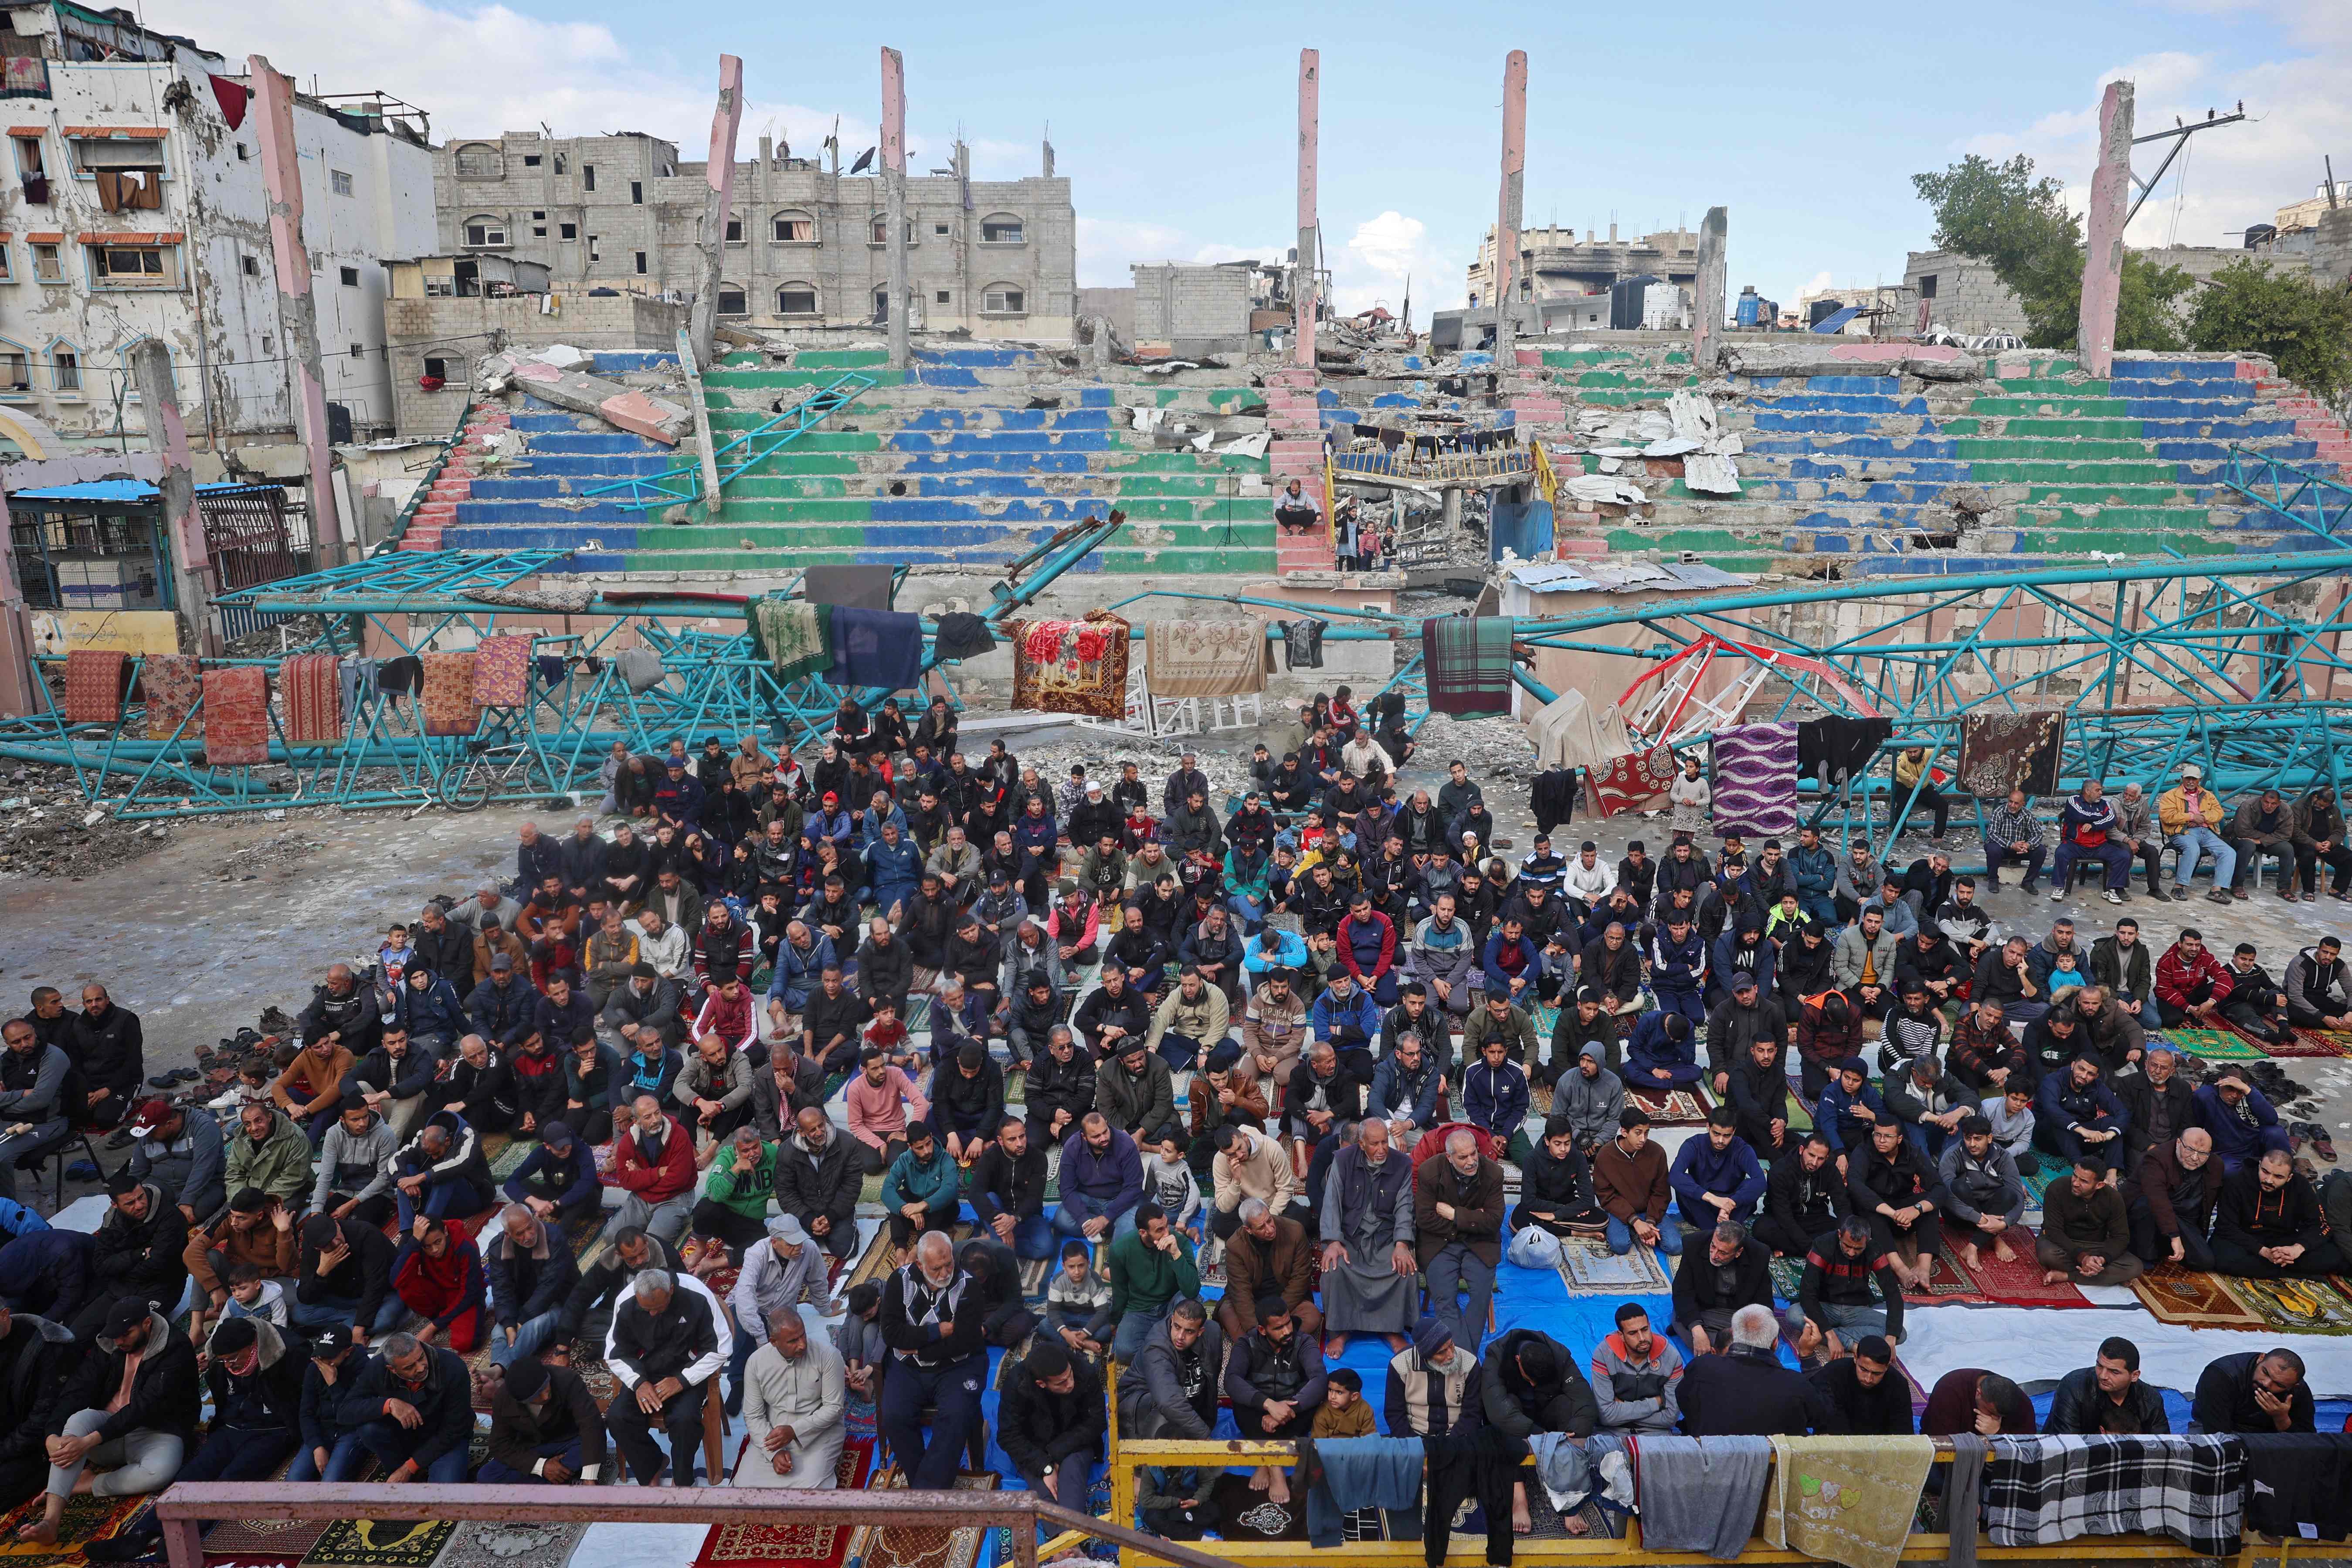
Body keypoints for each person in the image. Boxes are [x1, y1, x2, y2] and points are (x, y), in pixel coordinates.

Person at [16, 1301, 196, 1544]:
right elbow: (79, 1388)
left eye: (126, 1334)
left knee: (159, 1473)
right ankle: (50, 1521)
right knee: (77, 1420)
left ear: (147, 1324)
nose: (120, 1341)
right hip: (107, 1429)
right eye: (116, 1335)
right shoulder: (110, 1342)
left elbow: (145, 1407)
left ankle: (88, 1483)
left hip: (157, 1430)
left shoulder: (175, 1347)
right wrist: (52, 1434)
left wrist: (89, 1442)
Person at [878, 1233, 990, 1489]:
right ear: (920, 1265)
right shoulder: (899, 1281)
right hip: (908, 1369)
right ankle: (927, 1484)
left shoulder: (968, 1286)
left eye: (949, 1264)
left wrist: (919, 1350)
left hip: (958, 1366)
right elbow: (892, 1335)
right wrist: (936, 1332)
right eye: (936, 1269)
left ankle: (926, 1492)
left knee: (956, 1416)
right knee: (894, 1417)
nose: (945, 1273)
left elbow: (965, 1341)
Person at [606, 1267, 724, 1487]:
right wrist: (639, 1383)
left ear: (671, 1290)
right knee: (618, 1416)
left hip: (688, 1372)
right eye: (646, 1310)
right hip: (645, 1374)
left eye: (658, 1308)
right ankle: (652, 1465)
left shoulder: (697, 1294)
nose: (652, 1314)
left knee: (685, 1420)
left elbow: (720, 1348)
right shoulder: (626, 1301)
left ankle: (682, 1480)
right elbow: (615, 1353)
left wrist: (682, 1380)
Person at [1317, 1119, 1418, 1355]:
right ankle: (1341, 1332)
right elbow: (1331, 1202)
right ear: (1362, 1144)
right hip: (1350, 1236)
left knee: (1405, 1269)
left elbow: (1405, 1206)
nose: (1382, 1149)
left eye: (1385, 1142)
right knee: (1334, 1269)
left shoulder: (1402, 1163)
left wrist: (1402, 1243)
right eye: (1375, 1144)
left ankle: (1393, 1330)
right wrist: (1333, 1241)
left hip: (1385, 1237)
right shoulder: (1343, 1160)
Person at [322, 1329, 473, 1483]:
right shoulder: (377, 1368)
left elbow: (455, 1429)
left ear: (421, 1346)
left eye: (421, 1358)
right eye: (410, 1367)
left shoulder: (452, 1367)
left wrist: (409, 1467)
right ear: (392, 1369)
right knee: (369, 1428)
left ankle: (408, 1471)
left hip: (444, 1439)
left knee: (444, 1494)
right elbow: (345, 1411)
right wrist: (389, 1404)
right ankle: (400, 1471)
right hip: (406, 1436)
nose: (421, 1368)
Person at [1225, 1294, 1326, 1502]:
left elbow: (1319, 1379)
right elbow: (1232, 1380)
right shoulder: (1247, 1344)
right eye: (1279, 1328)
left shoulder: (1303, 1342)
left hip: (1292, 1411)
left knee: (1314, 1396)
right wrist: (1269, 1405)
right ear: (1263, 1330)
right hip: (1260, 1412)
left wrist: (1288, 1410)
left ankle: (1265, 1461)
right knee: (1242, 1401)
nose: (1287, 1331)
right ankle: (1275, 1467)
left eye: (1288, 1323)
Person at [733, 1307, 847, 1489]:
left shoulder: (828, 1355)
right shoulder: (756, 1363)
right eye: (793, 1341)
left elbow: (834, 1408)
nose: (802, 1345)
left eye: (803, 1335)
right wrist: (774, 1453)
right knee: (743, 1488)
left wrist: (794, 1431)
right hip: (773, 1434)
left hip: (819, 1433)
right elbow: (753, 1415)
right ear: (774, 1342)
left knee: (808, 1489)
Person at [1678, 1303, 1830, 1437]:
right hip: (1772, 1461)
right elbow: (1824, 1415)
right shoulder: (1796, 1384)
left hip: (1709, 1457)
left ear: (1734, 1336)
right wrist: (1808, 1357)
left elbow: (1683, 1401)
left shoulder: (1702, 1368)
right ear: (1776, 1344)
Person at [1415, 1128, 1504, 1348]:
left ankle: (1463, 1358)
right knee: (1444, 1300)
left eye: (1474, 1154)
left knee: (1481, 1296)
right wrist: (1474, 1220)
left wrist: (1454, 1215)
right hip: (1440, 1243)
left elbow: (1494, 1221)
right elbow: (1425, 1219)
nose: (1471, 1162)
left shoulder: (1493, 1172)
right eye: (1463, 1157)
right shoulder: (1429, 1171)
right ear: (1449, 1157)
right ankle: (1468, 1358)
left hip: (1480, 1244)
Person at [998, 1340, 1106, 1514]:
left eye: (1070, 1375)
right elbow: (1008, 1435)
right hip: (1033, 1448)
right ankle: (1067, 1531)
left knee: (1072, 1486)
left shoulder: (1083, 1372)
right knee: (1047, 1494)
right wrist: (1045, 1467)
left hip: (1075, 1441)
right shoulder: (1017, 1384)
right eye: (1061, 1383)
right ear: (1041, 1384)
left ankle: (1070, 1530)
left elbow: (1096, 1421)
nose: (1070, 1384)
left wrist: (1055, 1453)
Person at [2212, 1147, 2345, 1277]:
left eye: (2278, 1177)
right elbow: (2226, 1227)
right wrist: (2264, 1252)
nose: (2269, 1180)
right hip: (2245, 1238)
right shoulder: (2237, 1182)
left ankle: (2271, 1269)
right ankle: (2289, 1272)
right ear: (2260, 1165)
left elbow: (2320, 1224)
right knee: (2223, 1259)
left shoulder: (2300, 1185)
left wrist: (2298, 1249)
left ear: (2289, 1178)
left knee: (2333, 1256)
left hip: (2282, 1239)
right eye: (2265, 1171)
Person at [483, 1352, 608, 1485]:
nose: (545, 1397)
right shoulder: (504, 1399)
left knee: (592, 1445)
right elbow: (499, 1445)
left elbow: (592, 1425)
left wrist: (589, 1478)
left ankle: (555, 1478)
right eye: (537, 1395)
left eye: (545, 1387)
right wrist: (542, 1467)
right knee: (488, 1475)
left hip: (569, 1442)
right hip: (532, 1448)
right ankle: (560, 1476)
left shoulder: (567, 1380)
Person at [1792, 1215, 1906, 1361]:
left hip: (1856, 1310)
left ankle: (1829, 1334)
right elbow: (1807, 1294)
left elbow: (1893, 1293)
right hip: (1826, 1307)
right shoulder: (1823, 1246)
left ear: (1868, 1241)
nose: (1851, 1253)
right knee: (1794, 1315)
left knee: (1899, 1333)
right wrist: (1830, 1335)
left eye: (1858, 1249)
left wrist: (1890, 1338)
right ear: (1840, 1235)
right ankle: (1850, 1344)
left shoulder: (1874, 1250)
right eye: (1847, 1246)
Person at [1103, 1203, 1202, 1362]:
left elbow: (1192, 1290)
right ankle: (1171, 1350)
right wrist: (1115, 1321)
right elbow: (1120, 1291)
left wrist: (1176, 1254)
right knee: (1125, 1351)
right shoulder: (1120, 1249)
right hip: (1140, 1309)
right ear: (1143, 1233)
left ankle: (1161, 1349)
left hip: (1173, 1304)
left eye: (1167, 1226)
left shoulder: (1179, 1243)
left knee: (1191, 1303)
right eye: (1160, 1230)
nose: (1167, 1233)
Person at [1116, 1298, 1221, 1441]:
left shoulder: (1213, 1333)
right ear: (1172, 1320)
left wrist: (1208, 1416)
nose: (1180, 1336)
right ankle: (1151, 1453)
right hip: (1138, 1405)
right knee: (1167, 1407)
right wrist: (1206, 1438)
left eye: (1189, 1331)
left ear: (1200, 1332)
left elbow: (1211, 1376)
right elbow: (1168, 1402)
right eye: (1177, 1327)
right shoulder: (1156, 1347)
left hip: (1179, 1400)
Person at [2036, 1157, 2144, 1286]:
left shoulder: (2113, 1198)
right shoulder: (2057, 1188)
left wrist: (2102, 1259)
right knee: (2047, 1255)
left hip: (2096, 1246)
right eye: (2075, 1176)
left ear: (2099, 1185)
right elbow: (2053, 1231)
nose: (2076, 1183)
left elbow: (2121, 1237)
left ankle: (2067, 1276)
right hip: (2063, 1243)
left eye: (2084, 1181)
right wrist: (2082, 1257)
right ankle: (2107, 1276)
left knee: (2135, 1267)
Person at [1938, 1114, 2027, 1272]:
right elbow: (1946, 1195)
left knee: (2010, 1194)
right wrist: (1982, 1219)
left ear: (1990, 1138)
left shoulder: (2003, 1157)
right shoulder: (1953, 1155)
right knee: (1957, 1187)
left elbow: (2019, 1198)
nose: (1972, 1144)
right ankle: (1996, 1238)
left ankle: (1973, 1247)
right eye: (1968, 1138)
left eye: (1978, 1139)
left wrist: (2004, 1223)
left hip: (1993, 1209)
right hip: (1960, 1214)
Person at [1594, 1108, 1681, 1258]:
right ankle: (1634, 1228)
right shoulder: (1605, 1155)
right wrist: (1635, 1221)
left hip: (1650, 1210)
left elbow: (1662, 1192)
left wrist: (1651, 1222)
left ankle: (1642, 1229)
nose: (1643, 1139)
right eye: (1638, 1133)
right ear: (1624, 1132)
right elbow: (1606, 1195)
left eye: (1646, 1133)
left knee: (1675, 1247)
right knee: (1620, 1246)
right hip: (1620, 1212)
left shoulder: (1657, 1152)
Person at [1669, 1108, 1767, 1232]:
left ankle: (1724, 1226)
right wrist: (1713, 1199)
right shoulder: (1694, 1144)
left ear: (1734, 1131)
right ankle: (1719, 1230)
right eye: (1716, 1134)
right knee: (1683, 1182)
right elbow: (1674, 1176)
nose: (1721, 1141)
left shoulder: (1742, 1149)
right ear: (1708, 1127)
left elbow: (1760, 1182)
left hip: (1731, 1206)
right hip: (1701, 1205)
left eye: (1727, 1136)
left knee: (1751, 1185)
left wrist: (1731, 1203)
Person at [2047, 1336, 2168, 1435]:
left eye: (2114, 1372)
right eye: (2100, 1366)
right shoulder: (2073, 1388)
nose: (2103, 1376)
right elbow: (2068, 1445)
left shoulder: (2150, 1400)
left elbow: (2161, 1447)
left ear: (2134, 1376)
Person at [1056, 1113, 1144, 1245]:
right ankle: (1111, 1227)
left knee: (1132, 1222)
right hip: (1088, 1198)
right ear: (1084, 1137)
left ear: (1107, 1124)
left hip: (1121, 1199)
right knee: (1062, 1219)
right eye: (1096, 1136)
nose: (1103, 1138)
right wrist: (1084, 1220)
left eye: (1105, 1132)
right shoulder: (1072, 1147)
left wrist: (1106, 1218)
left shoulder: (1126, 1144)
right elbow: (1067, 1189)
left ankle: (1111, 1229)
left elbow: (1133, 1187)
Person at [2189, 1348, 2314, 1434]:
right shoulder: (2221, 1375)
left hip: (2269, 1435)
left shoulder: (2299, 1390)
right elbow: (2217, 1434)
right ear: (2261, 1358)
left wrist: (2281, 1418)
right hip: (2218, 1428)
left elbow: (2308, 1441)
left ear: (2293, 1386)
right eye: (2265, 1372)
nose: (2266, 1383)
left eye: (2279, 1384)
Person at [1809, 1335, 1913, 1436]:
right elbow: (1825, 1420)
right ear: (1855, 1358)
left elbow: (1903, 1432)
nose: (1868, 1379)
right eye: (1863, 1370)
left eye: (1877, 1374)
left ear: (1887, 1367)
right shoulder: (1833, 1373)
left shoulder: (1898, 1385)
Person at [1920, 1369, 2036, 1438]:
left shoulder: (2021, 1402)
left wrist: (1997, 1434)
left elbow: (2028, 1450)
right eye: (1991, 1412)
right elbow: (1938, 1443)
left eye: (2001, 1416)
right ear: (1978, 1393)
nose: (1995, 1419)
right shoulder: (1949, 1390)